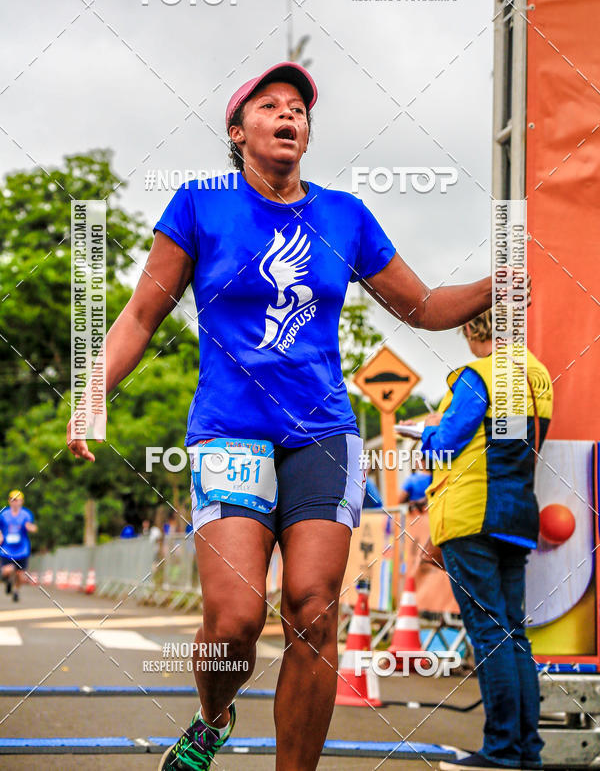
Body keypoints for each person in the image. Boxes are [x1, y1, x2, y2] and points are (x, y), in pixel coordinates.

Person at [67, 61, 498, 771]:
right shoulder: (200, 205)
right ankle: (213, 717)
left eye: (298, 108)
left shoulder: (344, 216)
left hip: (323, 433)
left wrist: (496, 282)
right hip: (230, 431)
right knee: (234, 621)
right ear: (238, 133)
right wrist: (93, 394)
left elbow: (420, 307)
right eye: (269, 106)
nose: (289, 116)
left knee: (313, 607)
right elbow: (142, 315)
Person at [418, 309, 553, 771]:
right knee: (513, 633)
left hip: (471, 515)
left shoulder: (480, 375)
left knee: (490, 633)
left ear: (473, 329)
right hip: (518, 515)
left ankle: (500, 750)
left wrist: (427, 432)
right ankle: (526, 751)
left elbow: (444, 445)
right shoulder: (537, 375)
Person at [0, 490, 37, 603]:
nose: (15, 502)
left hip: (22, 549)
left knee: (20, 575)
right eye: (13, 500)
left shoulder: (26, 514)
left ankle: (16, 591)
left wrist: (31, 528)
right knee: (7, 570)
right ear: (9, 501)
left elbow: (32, 527)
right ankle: (8, 581)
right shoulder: (4, 514)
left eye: (17, 500)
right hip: (7, 549)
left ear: (22, 501)